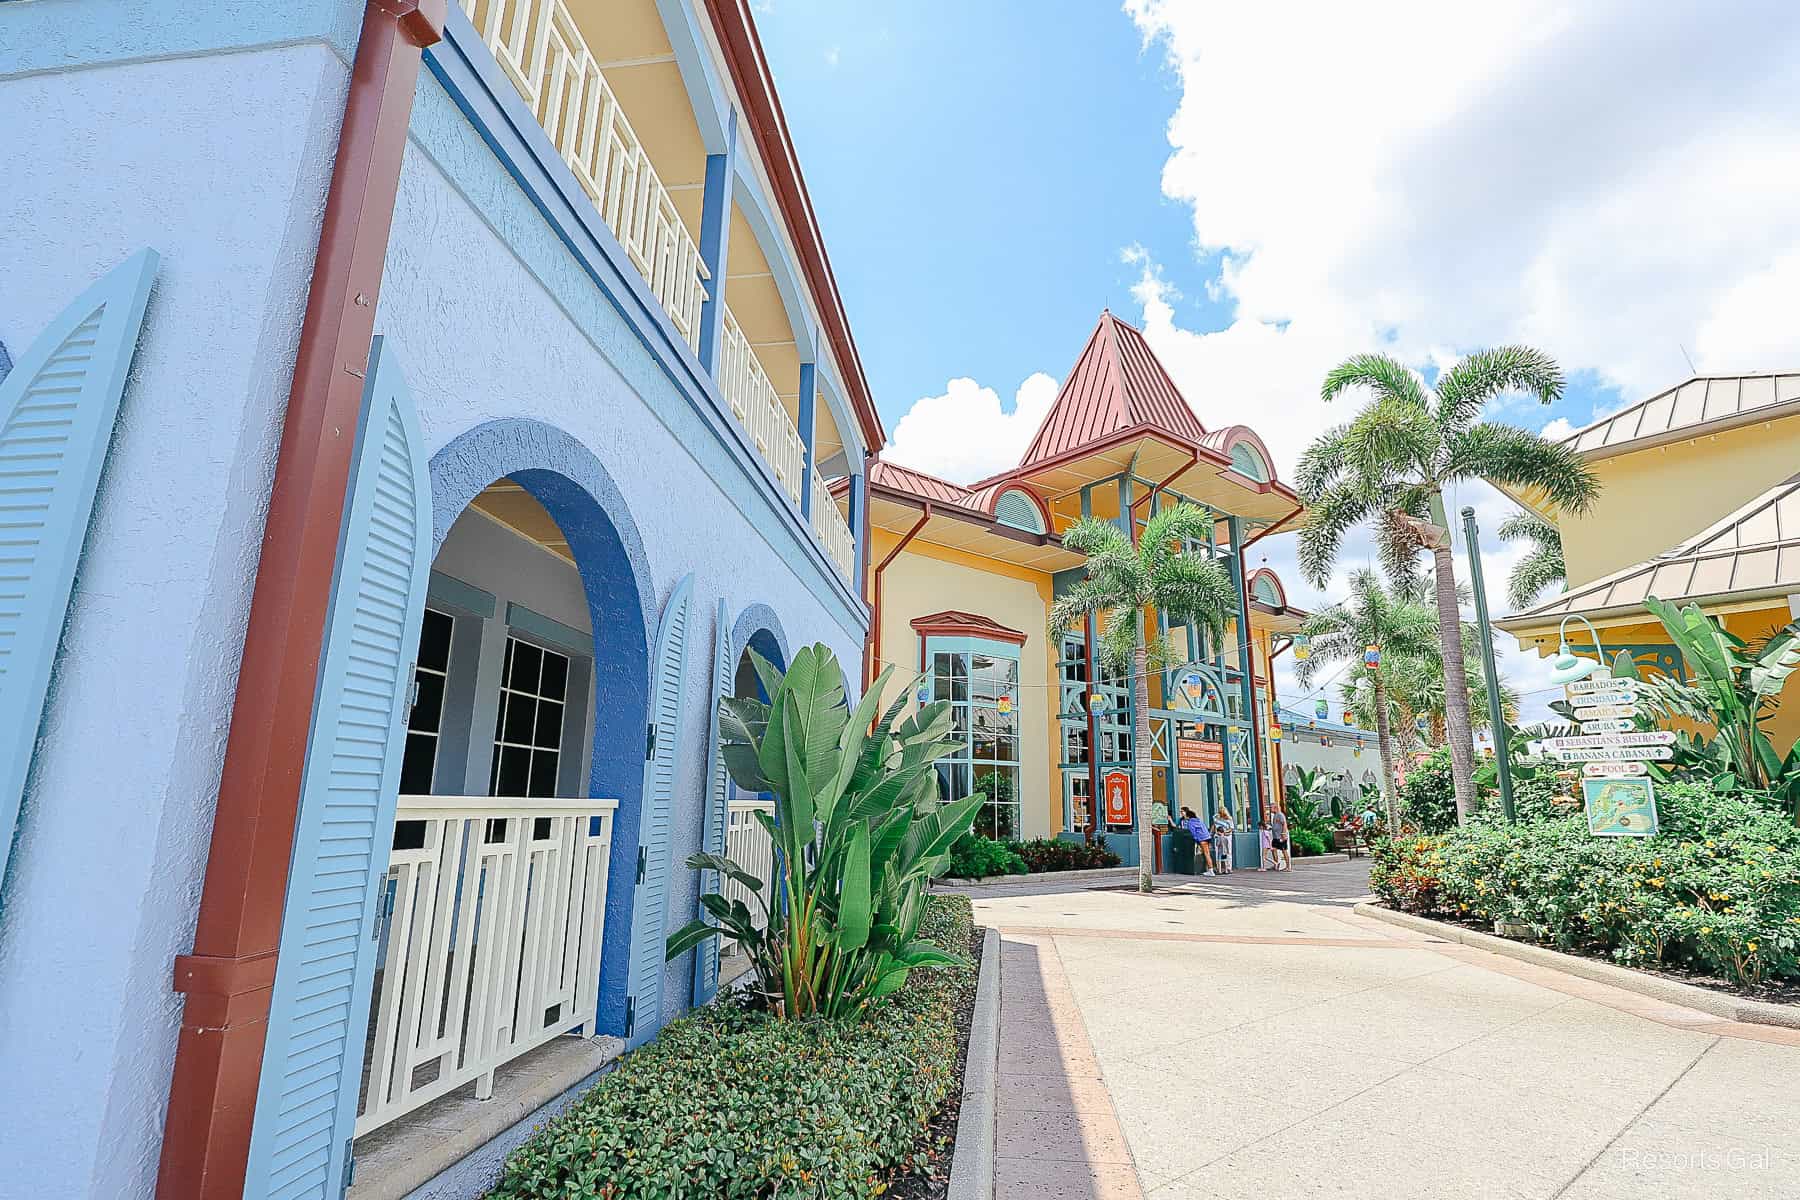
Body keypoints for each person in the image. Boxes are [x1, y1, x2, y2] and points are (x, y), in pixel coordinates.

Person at [1180, 806, 1215, 875]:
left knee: (1206, 854)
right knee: (1207, 854)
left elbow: (1193, 833)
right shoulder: (1198, 820)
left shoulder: (1190, 823)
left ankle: (1211, 871)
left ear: (1188, 816)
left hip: (1201, 838)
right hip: (1207, 837)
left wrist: (1196, 840)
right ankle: (1210, 870)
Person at [1211, 807, 1235, 873]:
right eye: (1220, 813)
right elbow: (1214, 825)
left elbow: (1231, 828)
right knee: (1218, 852)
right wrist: (1211, 833)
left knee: (1227, 851)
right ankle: (1219, 868)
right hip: (1218, 836)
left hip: (1227, 836)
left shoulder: (1229, 819)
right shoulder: (1216, 817)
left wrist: (1224, 833)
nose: (1221, 815)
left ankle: (1228, 868)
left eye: (1222, 814)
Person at [1270, 805, 1291, 871]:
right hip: (1275, 836)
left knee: (1284, 851)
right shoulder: (1275, 815)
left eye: (1271, 808)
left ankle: (1288, 867)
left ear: (1275, 808)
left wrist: (1283, 834)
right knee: (1274, 850)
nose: (1270, 809)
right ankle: (1276, 864)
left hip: (1280, 836)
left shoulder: (1280, 815)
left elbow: (1284, 824)